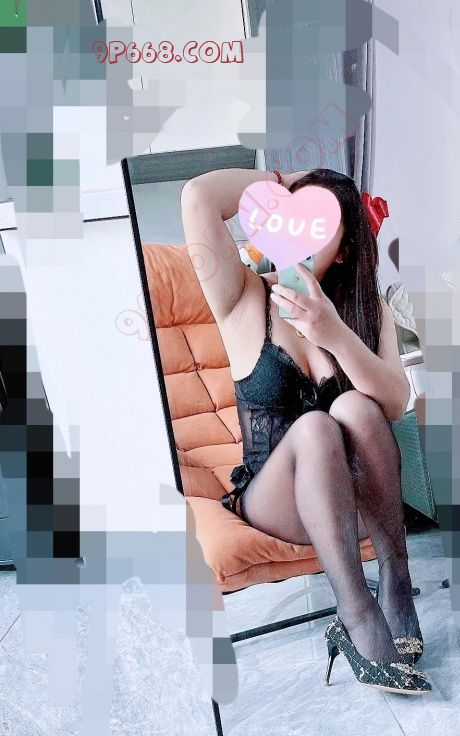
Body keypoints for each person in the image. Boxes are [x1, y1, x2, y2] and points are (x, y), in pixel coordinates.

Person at [181, 167, 430, 695]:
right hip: (273, 500)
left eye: (317, 225)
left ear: (343, 250)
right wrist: (284, 182)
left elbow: (394, 401)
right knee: (317, 426)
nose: (299, 234)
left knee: (356, 408)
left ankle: (396, 578)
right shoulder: (243, 297)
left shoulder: (366, 311)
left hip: (354, 504)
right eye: (290, 220)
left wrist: (333, 333)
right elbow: (198, 197)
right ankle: (356, 613)